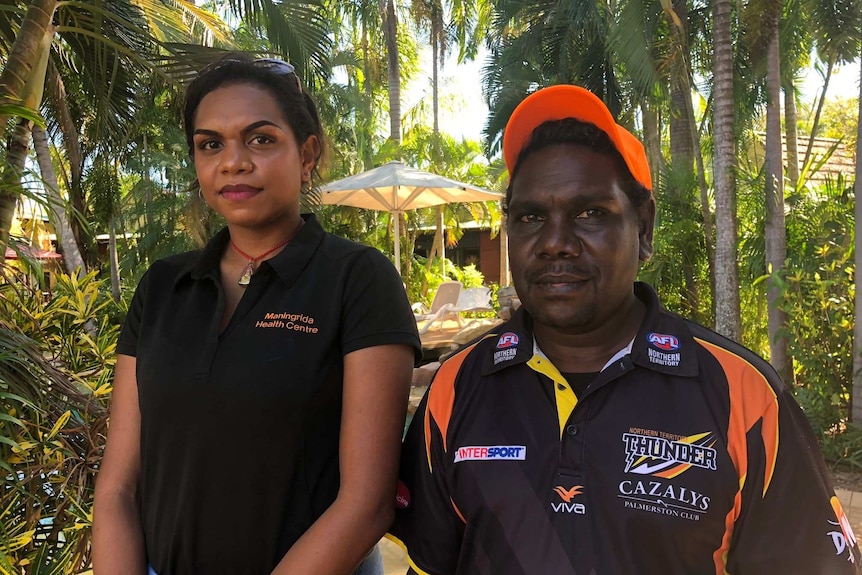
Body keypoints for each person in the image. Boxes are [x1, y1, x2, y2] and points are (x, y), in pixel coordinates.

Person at [387, 84, 861, 574]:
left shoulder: (742, 396)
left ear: (645, 227)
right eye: (530, 217)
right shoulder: (456, 390)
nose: (554, 243)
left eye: (590, 213)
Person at [93, 53, 421, 574]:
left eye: (261, 139)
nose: (233, 161)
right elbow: (117, 487)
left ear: (307, 154)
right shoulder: (161, 286)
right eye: (210, 144)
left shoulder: (356, 278)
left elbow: (366, 503)